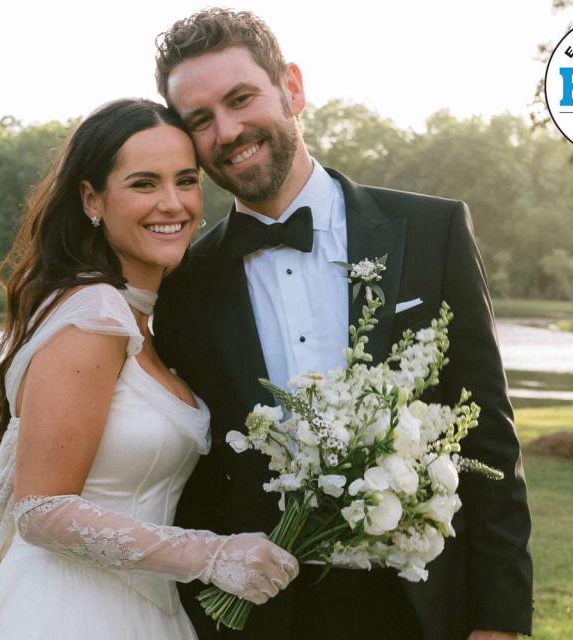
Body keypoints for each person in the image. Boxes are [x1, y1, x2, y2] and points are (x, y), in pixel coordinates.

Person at [152, 9, 533, 640]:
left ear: (292, 88)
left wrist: (499, 620)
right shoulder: (185, 282)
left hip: (421, 608)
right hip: (258, 618)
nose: (228, 129)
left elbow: (488, 438)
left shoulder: (431, 233)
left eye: (241, 98)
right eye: (200, 120)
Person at [0, 98, 299, 640]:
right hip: (65, 612)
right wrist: (212, 555)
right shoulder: (95, 314)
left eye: (186, 180)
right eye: (144, 184)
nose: (172, 204)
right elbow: (41, 508)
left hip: (144, 608)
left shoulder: (145, 318)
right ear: (91, 199)